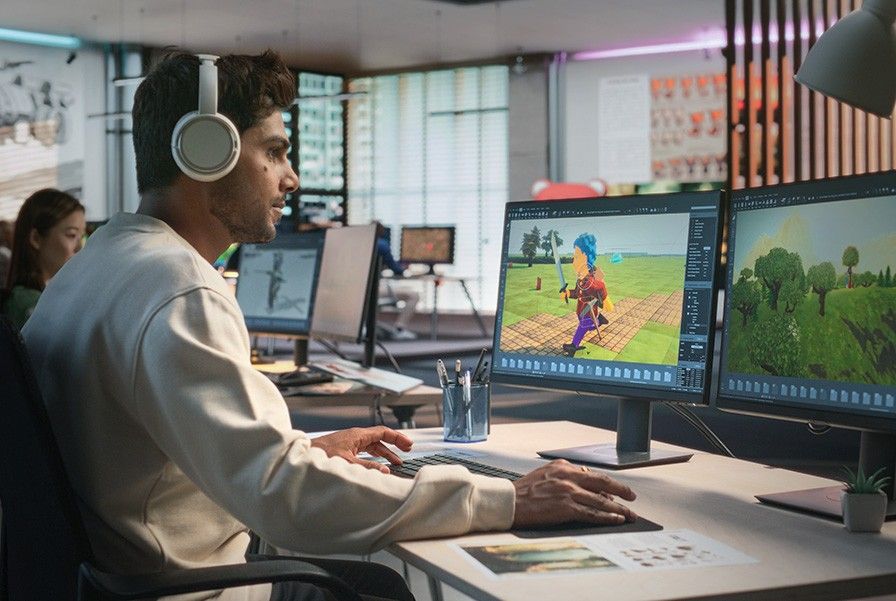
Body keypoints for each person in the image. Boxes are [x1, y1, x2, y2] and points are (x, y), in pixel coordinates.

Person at [23, 50, 637, 601]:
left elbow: (161, 453)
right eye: (274, 152)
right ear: (206, 153)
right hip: (192, 588)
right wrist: (507, 499)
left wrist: (304, 449)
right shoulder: (179, 290)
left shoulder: (91, 269)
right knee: (384, 589)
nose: (290, 178)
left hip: (118, 575)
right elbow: (284, 498)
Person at [2, 189, 85, 330]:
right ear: (36, 239)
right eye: (71, 235)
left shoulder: (46, 297)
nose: (79, 248)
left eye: (81, 237)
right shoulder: (30, 306)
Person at [375, 222, 419, 340]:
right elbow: (397, 270)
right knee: (414, 295)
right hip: (373, 290)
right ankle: (400, 328)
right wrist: (403, 268)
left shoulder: (359, 244)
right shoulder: (382, 245)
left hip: (356, 291)